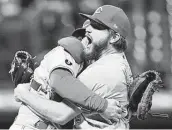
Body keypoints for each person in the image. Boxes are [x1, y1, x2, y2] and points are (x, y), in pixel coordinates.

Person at [14, 5, 133, 129]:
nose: (88, 30)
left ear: (114, 37)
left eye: (97, 26)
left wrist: (23, 94)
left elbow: (61, 115)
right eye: (89, 24)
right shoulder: (120, 64)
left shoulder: (101, 70)